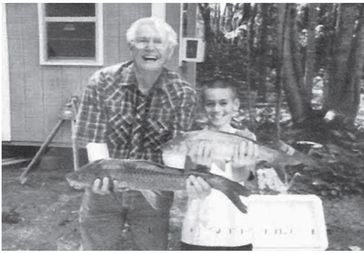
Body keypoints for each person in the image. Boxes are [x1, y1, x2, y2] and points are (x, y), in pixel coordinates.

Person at [74, 17, 197, 250]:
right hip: (104, 191)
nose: (150, 47)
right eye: (142, 41)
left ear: (169, 50)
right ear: (131, 46)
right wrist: (103, 179)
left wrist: (184, 181)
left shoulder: (182, 93)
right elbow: (95, 139)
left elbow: (175, 154)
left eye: (158, 42)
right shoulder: (102, 82)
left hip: (154, 192)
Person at [179, 78, 258, 250]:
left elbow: (243, 178)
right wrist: (201, 167)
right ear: (203, 107)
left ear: (235, 105)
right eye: (210, 104)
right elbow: (189, 183)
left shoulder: (246, 137)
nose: (216, 109)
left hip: (236, 228)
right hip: (199, 228)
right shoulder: (193, 139)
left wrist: (239, 167)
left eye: (223, 103)